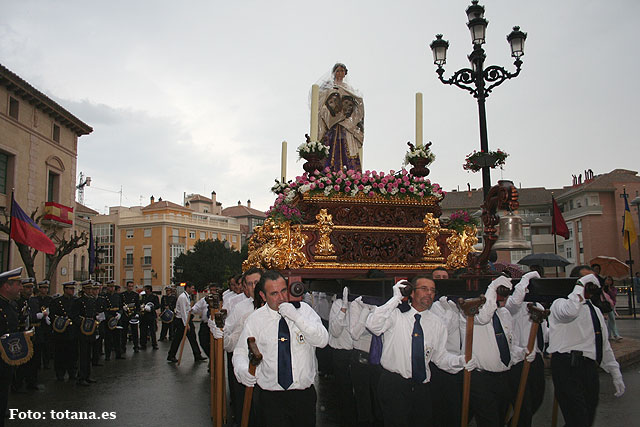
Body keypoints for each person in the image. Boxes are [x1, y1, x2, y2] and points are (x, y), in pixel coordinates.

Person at [366, 275, 467, 427]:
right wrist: (395, 299)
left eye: (432, 290)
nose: (429, 293)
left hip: (422, 387)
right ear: (412, 293)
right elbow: (373, 325)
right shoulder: (396, 315)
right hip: (395, 385)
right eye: (424, 289)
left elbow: (440, 358)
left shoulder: (437, 324)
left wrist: (460, 361)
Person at [233, 270, 329, 427]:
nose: (282, 297)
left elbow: (323, 340)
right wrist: (242, 369)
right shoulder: (255, 319)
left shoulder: (304, 311)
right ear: (263, 296)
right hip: (271, 397)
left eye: (284, 290)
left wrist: (297, 318)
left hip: (302, 396)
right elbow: (241, 351)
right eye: (274, 293)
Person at [548, 265, 625, 426]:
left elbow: (603, 344)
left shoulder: (595, 311)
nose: (591, 284)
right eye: (587, 281)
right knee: (578, 418)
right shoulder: (560, 304)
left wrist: (615, 371)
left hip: (588, 368)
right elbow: (569, 312)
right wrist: (580, 287)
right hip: (566, 366)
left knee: (587, 418)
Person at [212, 267, 262, 426]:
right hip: (247, 368)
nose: (254, 287)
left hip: (271, 374)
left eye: (257, 282)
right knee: (246, 413)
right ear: (245, 288)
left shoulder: (279, 306)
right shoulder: (241, 308)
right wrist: (219, 332)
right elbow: (229, 339)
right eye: (250, 284)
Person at [504, 271, 547, 427]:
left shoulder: (539, 306)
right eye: (526, 288)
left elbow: (544, 332)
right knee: (523, 402)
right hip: (519, 360)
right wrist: (525, 278)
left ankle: (513, 424)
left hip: (536, 358)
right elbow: (515, 302)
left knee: (538, 398)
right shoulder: (512, 306)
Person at [317, 63, 364, 172]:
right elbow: (322, 104)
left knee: (348, 146)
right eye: (338, 71)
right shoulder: (329, 87)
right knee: (331, 146)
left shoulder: (349, 89)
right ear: (334, 73)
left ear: (345, 73)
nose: (340, 73)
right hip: (333, 124)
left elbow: (356, 105)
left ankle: (350, 173)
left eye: (342, 71)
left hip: (345, 124)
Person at [0, 268, 25, 427]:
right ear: (6, 286)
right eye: (18, 284)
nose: (21, 288)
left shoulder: (11, 305)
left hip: (6, 360)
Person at [167, 283, 206, 363]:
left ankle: (197, 354)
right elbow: (183, 312)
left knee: (192, 337)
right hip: (182, 321)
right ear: (187, 288)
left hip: (186, 320)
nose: (193, 290)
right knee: (178, 339)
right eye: (192, 288)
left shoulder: (187, 297)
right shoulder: (182, 297)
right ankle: (171, 355)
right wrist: (186, 324)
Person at [50, 281, 78, 381]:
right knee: (60, 354)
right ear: (65, 289)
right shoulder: (57, 301)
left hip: (73, 331)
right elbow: (52, 315)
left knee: (73, 354)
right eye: (70, 289)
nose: (72, 291)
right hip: (61, 332)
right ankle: (60, 373)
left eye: (73, 289)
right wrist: (61, 322)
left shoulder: (76, 301)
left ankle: (72, 372)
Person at [73, 280, 99, 386]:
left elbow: (93, 314)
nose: (90, 291)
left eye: (91, 289)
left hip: (91, 330)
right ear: (84, 289)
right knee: (82, 355)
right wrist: (83, 322)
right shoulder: (78, 301)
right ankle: (81, 376)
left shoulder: (92, 301)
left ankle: (87, 375)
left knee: (89, 354)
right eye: (88, 289)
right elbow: (74, 315)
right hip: (82, 331)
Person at [120, 281, 140, 354]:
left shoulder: (136, 295)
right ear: (127, 287)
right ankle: (123, 347)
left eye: (132, 286)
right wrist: (123, 308)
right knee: (124, 332)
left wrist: (137, 313)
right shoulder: (122, 295)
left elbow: (138, 305)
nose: (130, 288)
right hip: (125, 315)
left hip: (133, 315)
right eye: (129, 286)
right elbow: (120, 304)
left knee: (135, 332)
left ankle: (136, 346)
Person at [140, 285, 159, 350]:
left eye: (146, 289)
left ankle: (154, 344)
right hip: (143, 316)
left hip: (151, 315)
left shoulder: (154, 297)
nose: (145, 290)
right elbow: (140, 303)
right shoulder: (143, 297)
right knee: (143, 331)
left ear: (149, 290)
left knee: (152, 331)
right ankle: (143, 344)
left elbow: (157, 305)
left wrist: (151, 308)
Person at [602, 276, 622, 341]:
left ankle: (613, 335)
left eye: (610, 280)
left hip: (611, 305)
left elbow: (614, 295)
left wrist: (610, 290)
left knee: (612, 320)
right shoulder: (602, 288)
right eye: (607, 280)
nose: (609, 281)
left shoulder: (613, 289)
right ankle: (613, 335)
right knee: (610, 320)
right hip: (605, 306)